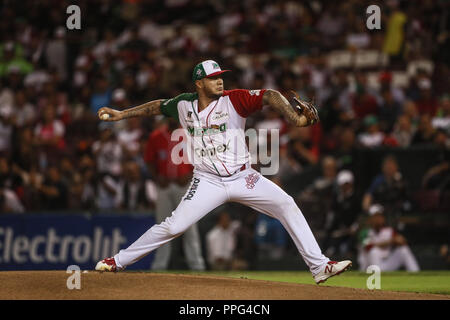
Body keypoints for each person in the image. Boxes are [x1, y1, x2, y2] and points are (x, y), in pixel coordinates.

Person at [95, 60, 351, 284]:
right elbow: (158, 106)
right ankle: (117, 261)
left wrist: (293, 118)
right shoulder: (184, 104)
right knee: (174, 226)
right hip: (207, 181)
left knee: (286, 203)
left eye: (220, 76)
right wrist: (122, 114)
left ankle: (320, 266)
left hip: (244, 177)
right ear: (199, 83)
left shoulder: (234, 99)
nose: (219, 81)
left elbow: (270, 95)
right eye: (213, 78)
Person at [144, 118, 205, 271]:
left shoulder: (190, 135)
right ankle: (159, 265)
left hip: (184, 186)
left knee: (189, 226)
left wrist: (191, 175)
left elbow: (201, 158)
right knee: (162, 227)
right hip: (164, 187)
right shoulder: (156, 136)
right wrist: (157, 176)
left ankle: (197, 265)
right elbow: (149, 160)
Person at [358, 204, 420, 272]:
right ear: (370, 218)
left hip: (385, 265)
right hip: (368, 268)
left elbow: (402, 241)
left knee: (403, 250)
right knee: (374, 251)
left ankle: (415, 274)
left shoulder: (388, 231)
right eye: (376, 216)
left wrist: (397, 240)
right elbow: (368, 246)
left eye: (380, 215)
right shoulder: (364, 233)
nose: (379, 218)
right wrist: (390, 241)